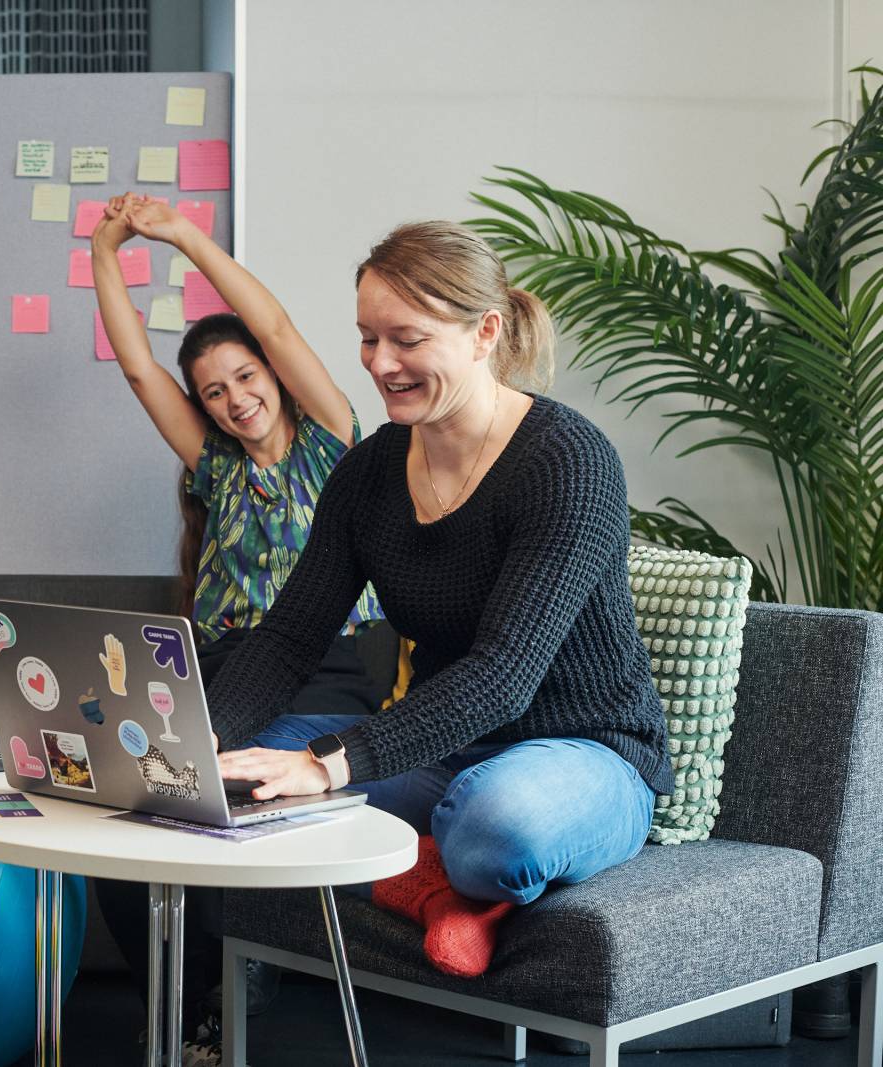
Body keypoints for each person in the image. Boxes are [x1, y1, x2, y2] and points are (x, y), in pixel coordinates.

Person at [211, 221, 672, 979]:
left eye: (406, 339)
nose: (380, 364)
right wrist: (200, 753)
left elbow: (504, 673)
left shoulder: (569, 461)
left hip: (586, 753)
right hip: (444, 746)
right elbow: (289, 637)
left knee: (497, 826)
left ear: (485, 332)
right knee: (247, 782)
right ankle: (437, 880)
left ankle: (460, 870)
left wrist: (333, 765)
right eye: (367, 338)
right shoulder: (368, 474)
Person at [88, 193, 384, 1062]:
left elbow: (281, 324)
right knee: (131, 799)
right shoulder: (212, 463)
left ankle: (217, 999)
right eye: (214, 391)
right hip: (220, 668)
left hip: (329, 666)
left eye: (247, 378)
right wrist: (106, 248)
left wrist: (180, 236)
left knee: (223, 795)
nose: (234, 399)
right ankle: (178, 1006)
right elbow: (141, 368)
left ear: (273, 375)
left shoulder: (334, 440)